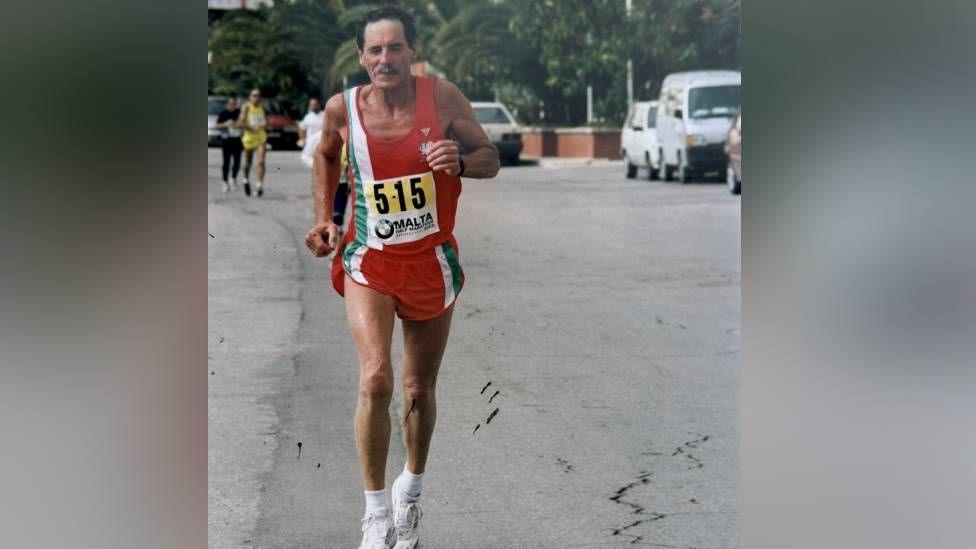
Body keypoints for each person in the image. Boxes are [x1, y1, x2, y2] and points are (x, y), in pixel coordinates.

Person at [303, 6, 499, 548]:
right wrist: (325, 220)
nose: (384, 59)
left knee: (418, 386)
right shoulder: (343, 109)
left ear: (411, 50)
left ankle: (409, 491)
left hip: (431, 261)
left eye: (394, 48)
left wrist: (460, 159)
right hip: (370, 259)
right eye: (374, 50)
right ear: (361, 56)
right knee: (376, 379)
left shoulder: (444, 99)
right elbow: (325, 156)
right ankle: (373, 513)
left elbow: (491, 157)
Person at [299, 99, 351, 228]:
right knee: (326, 220)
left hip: (343, 183)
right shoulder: (317, 137)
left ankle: (337, 246)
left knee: (338, 220)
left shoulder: (351, 136)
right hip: (325, 182)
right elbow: (305, 156)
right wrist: (320, 166)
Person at [239, 88, 268, 197]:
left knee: (261, 161)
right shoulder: (246, 107)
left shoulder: (262, 107)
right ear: (250, 97)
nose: (256, 98)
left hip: (261, 137)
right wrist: (251, 127)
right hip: (249, 138)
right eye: (254, 95)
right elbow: (240, 123)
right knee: (247, 163)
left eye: (258, 95)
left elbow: (265, 121)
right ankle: (246, 180)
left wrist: (264, 124)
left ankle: (259, 185)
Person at [216, 97, 242, 192]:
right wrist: (225, 124)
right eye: (230, 104)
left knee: (237, 162)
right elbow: (217, 125)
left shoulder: (239, 113)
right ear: (227, 104)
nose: (232, 105)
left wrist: (238, 124)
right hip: (226, 140)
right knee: (226, 162)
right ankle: (224, 181)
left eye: (234, 104)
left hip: (237, 140)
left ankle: (233, 178)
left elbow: (244, 123)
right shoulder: (223, 113)